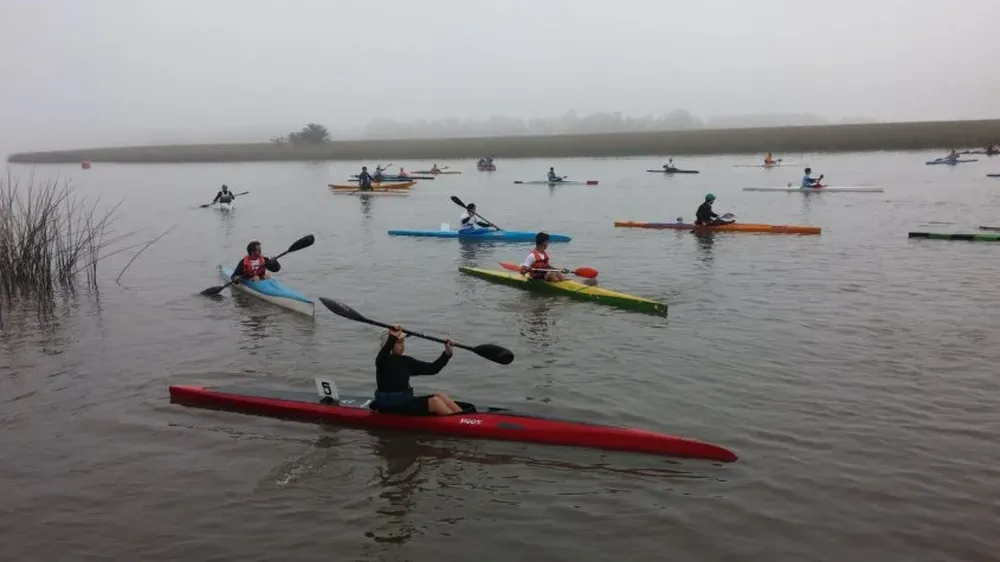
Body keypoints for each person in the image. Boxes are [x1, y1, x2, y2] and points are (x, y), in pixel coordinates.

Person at [371, 324, 463, 416]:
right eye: (399, 342)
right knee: (435, 402)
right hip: (387, 406)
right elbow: (384, 352)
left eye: (403, 341)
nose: (403, 345)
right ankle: (461, 424)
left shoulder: (406, 361)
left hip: (404, 403)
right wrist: (392, 338)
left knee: (440, 396)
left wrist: (447, 353)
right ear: (389, 343)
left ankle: (466, 418)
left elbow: (433, 369)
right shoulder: (382, 360)